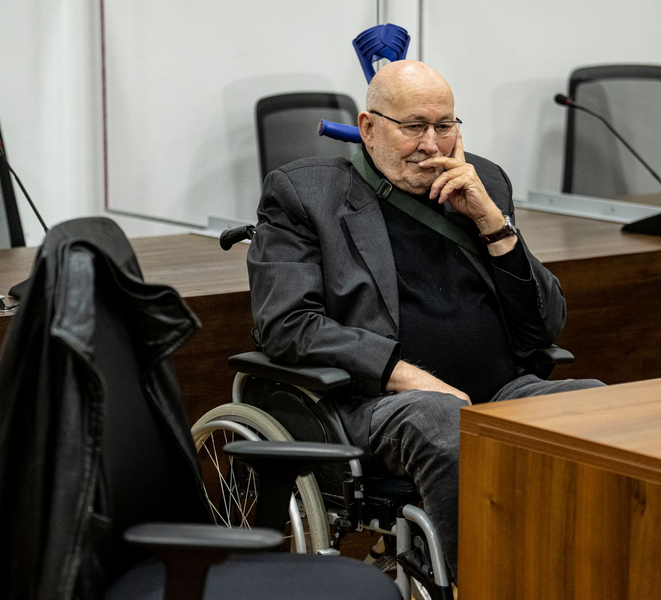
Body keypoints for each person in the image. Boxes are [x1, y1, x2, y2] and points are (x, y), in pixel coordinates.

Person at [246, 60, 603, 578]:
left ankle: (592, 574)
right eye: (414, 126)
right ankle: (480, 583)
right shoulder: (306, 194)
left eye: (445, 125)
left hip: (501, 392)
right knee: (441, 420)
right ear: (369, 128)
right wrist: (405, 374)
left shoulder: (484, 182)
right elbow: (287, 324)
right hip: (375, 403)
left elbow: (544, 327)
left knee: (598, 407)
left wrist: (492, 223)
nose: (432, 145)